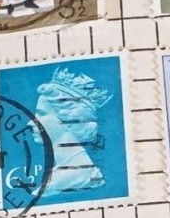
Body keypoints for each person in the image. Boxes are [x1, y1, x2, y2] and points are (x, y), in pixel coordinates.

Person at [26, 68, 114, 200]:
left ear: (69, 120)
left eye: (42, 114)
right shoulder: (65, 172)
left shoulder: (76, 176)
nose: (30, 123)